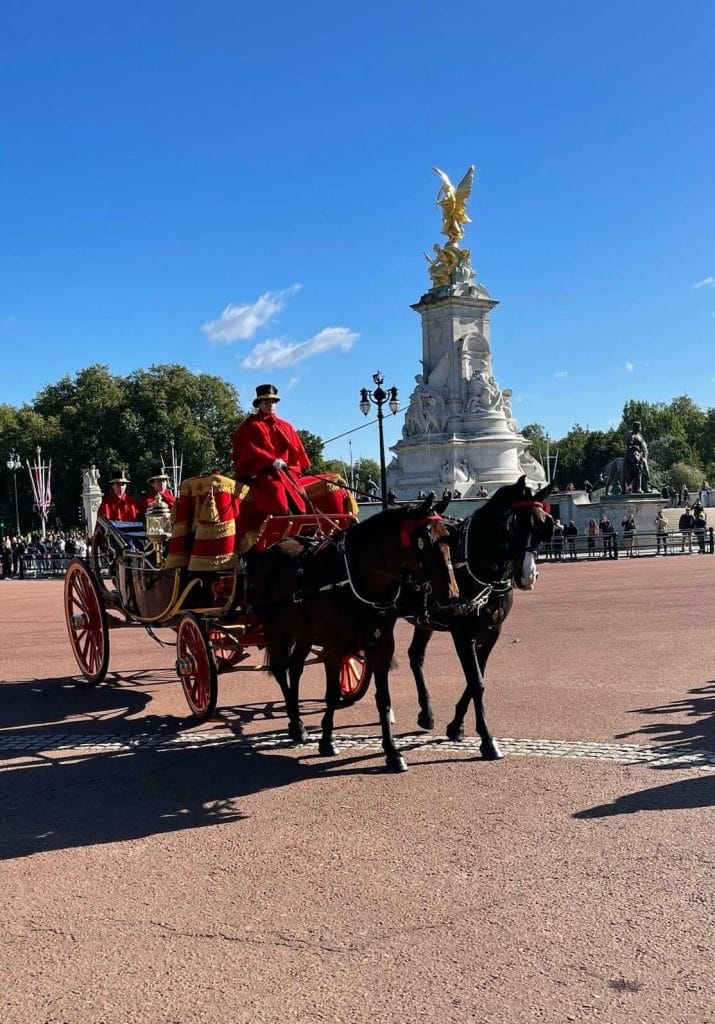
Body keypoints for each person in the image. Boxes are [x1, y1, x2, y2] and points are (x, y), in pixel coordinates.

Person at [231, 384, 312, 515]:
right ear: (259, 404)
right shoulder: (252, 425)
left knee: (301, 495)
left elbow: (295, 450)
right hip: (263, 472)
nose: (270, 405)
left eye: (273, 402)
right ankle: (280, 519)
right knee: (276, 492)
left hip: (285, 471)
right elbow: (251, 449)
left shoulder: (286, 425)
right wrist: (271, 460)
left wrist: (288, 463)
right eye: (266, 402)